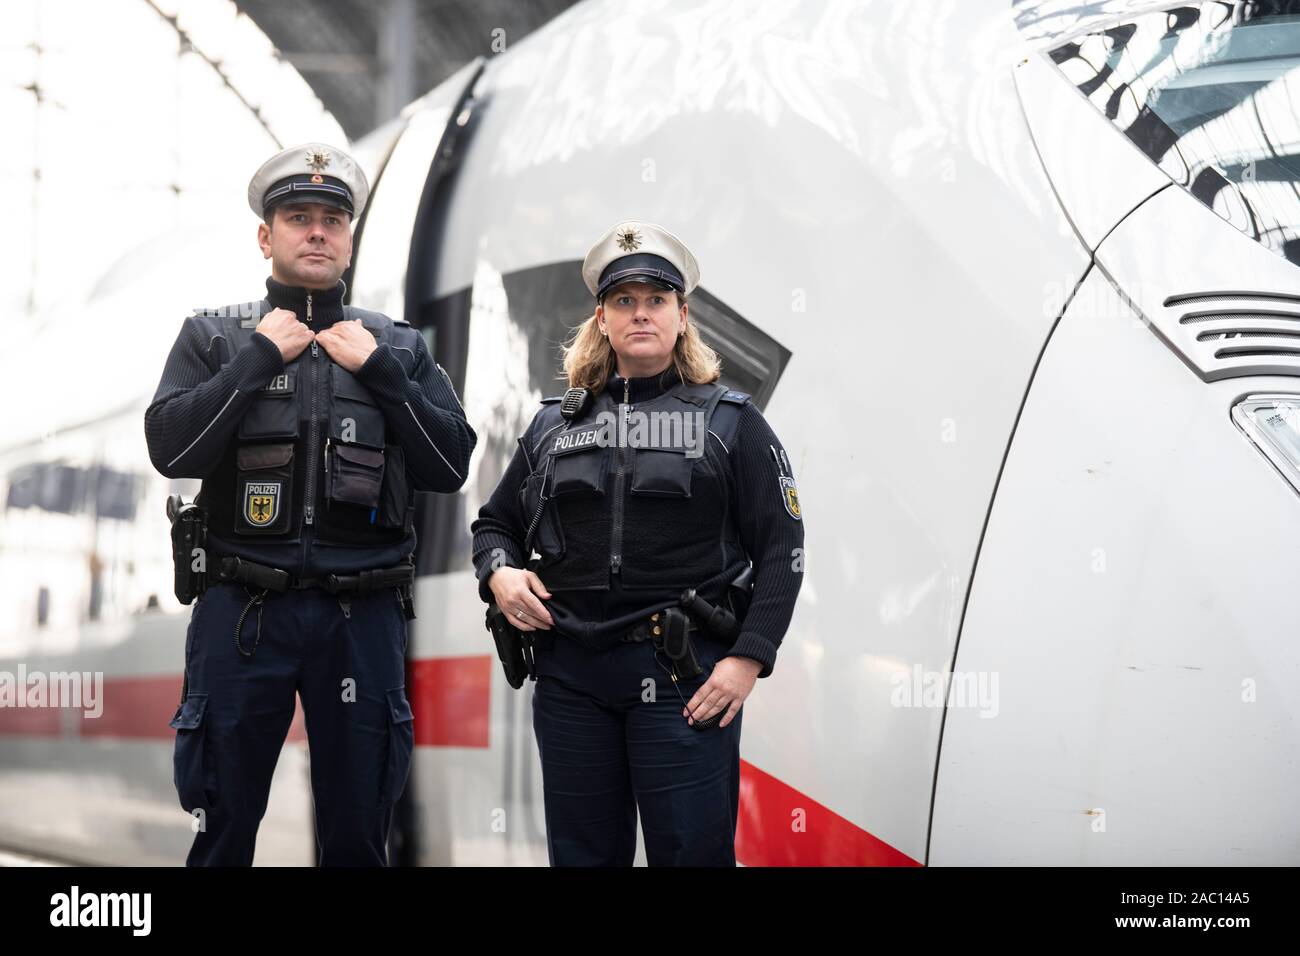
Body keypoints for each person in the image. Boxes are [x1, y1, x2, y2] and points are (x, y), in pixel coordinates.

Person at [144, 142, 476, 866]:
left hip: (363, 618)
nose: (317, 231)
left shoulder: (399, 345)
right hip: (243, 614)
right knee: (222, 826)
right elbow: (172, 450)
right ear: (267, 236)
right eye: (298, 217)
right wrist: (256, 360)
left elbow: (449, 463)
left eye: (332, 218)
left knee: (359, 835)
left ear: (351, 236)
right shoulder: (214, 336)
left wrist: (384, 374)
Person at [470, 220, 804, 866]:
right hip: (571, 682)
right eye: (624, 301)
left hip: (682, 679)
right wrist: (500, 574)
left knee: (691, 856)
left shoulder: (731, 424)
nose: (640, 313)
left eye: (655, 301)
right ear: (602, 318)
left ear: (682, 316)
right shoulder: (550, 427)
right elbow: (494, 525)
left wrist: (747, 660)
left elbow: (783, 550)